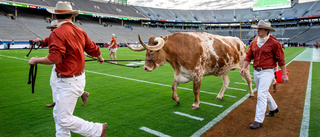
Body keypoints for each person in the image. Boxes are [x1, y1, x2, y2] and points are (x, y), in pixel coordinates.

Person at [28, 1, 108, 136]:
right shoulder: (80, 31)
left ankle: (97, 130)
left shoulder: (57, 33)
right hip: (77, 78)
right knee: (59, 116)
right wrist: (99, 57)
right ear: (72, 16)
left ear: (55, 17)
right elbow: (93, 48)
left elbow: (54, 58)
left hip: (67, 81)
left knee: (63, 119)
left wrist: (35, 60)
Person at [240, 20, 289, 129]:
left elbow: (281, 60)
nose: (257, 30)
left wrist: (284, 75)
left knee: (261, 94)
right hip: (256, 71)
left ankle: (258, 120)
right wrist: (243, 67)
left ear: (267, 30)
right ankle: (274, 108)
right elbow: (248, 57)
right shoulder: (253, 43)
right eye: (257, 28)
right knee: (263, 92)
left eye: (260, 28)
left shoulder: (274, 43)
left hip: (267, 71)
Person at [34, 20, 90, 108]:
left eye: (53, 28)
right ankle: (57, 101)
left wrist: (81, 52)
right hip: (59, 63)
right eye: (51, 29)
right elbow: (44, 42)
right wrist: (38, 42)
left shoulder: (65, 34)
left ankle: (81, 93)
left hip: (67, 64)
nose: (52, 31)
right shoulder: (54, 36)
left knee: (68, 83)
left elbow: (77, 45)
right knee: (54, 82)